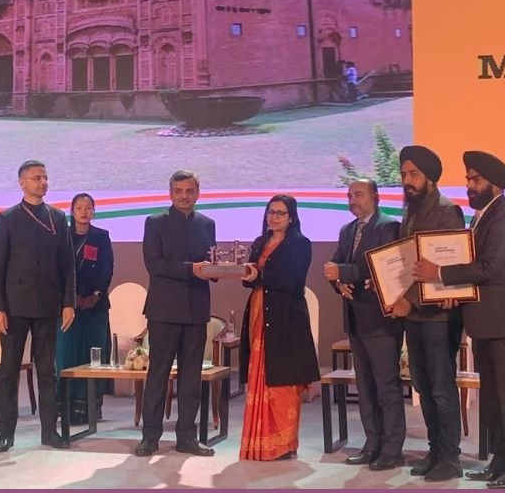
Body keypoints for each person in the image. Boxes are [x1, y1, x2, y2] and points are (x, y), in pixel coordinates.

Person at [415, 151, 505, 488]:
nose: (469, 185)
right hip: (487, 322)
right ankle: (501, 461)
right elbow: (478, 272)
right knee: (494, 399)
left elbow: (489, 268)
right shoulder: (482, 217)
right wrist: (454, 291)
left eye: (476, 179)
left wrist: (439, 273)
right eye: (468, 178)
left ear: (495, 184)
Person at [388, 145, 466, 481]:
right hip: (415, 318)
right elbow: (406, 264)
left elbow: (448, 268)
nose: (407, 180)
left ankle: (450, 457)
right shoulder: (410, 211)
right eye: (404, 174)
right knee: (422, 385)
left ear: (430, 178)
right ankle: (435, 451)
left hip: (438, 317)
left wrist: (410, 301)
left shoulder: (447, 211)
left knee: (440, 389)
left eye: (414, 174)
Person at [0, 160, 76, 453]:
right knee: (9, 371)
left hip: (48, 306)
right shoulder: (7, 218)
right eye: (37, 178)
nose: (43, 182)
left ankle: (49, 431)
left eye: (45, 177)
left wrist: (69, 303)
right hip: (14, 308)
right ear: (22, 183)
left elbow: (67, 265)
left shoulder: (57, 217)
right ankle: (6, 433)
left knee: (47, 371)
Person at [136, 170, 218, 457]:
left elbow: (210, 264)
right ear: (170, 193)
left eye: (189, 191)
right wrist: (191, 269)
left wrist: (219, 269)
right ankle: (150, 437)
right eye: (179, 191)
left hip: (196, 309)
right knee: (158, 374)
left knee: (191, 376)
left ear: (198, 193)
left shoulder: (207, 224)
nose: (184, 196)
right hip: (164, 310)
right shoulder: (155, 222)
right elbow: (154, 265)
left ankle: (187, 437)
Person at [324, 179, 405, 470]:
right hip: (355, 319)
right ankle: (372, 444)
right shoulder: (347, 230)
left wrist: (342, 273)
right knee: (365, 387)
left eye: (358, 195)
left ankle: (392, 449)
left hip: (381, 320)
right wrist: (338, 283)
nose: (352, 200)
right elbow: (334, 268)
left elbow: (379, 267)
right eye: (349, 195)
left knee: (386, 386)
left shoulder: (388, 227)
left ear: (376, 197)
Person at [237, 195, 320, 460]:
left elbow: (293, 282)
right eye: (271, 212)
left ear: (291, 217)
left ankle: (283, 444)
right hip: (260, 314)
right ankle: (259, 443)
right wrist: (246, 274)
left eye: (280, 213)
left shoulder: (300, 244)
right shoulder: (260, 241)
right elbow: (249, 280)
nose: (274, 217)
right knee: (260, 376)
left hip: (287, 319)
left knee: (283, 381)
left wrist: (260, 276)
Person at [56, 193, 114, 425]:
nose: (84, 211)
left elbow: (107, 269)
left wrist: (95, 295)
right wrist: (71, 298)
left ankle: (89, 408)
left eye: (88, 207)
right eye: (79, 207)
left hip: (95, 307)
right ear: (71, 211)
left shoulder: (101, 236)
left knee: (93, 355)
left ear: (94, 211)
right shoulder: (62, 236)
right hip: (67, 307)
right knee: (66, 355)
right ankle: (65, 408)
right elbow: (57, 270)